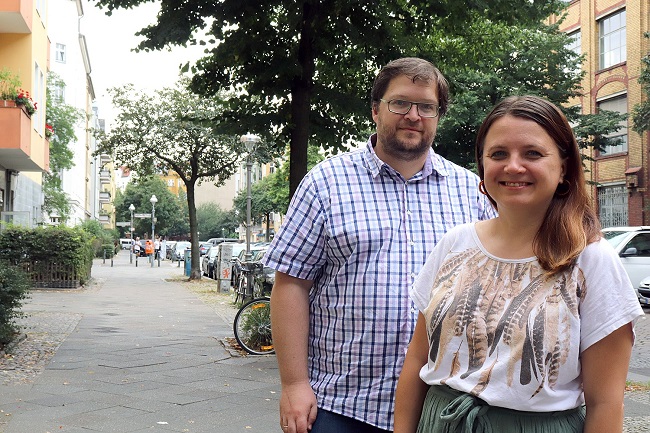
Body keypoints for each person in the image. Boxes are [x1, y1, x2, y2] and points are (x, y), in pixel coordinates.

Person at [263, 57, 496, 433]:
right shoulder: (325, 183)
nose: (413, 116)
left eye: (426, 107)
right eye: (400, 103)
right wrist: (294, 384)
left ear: (438, 115)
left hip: (440, 408)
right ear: (375, 109)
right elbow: (291, 284)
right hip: (341, 405)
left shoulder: (472, 192)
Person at [394, 95, 644, 433]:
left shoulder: (590, 259)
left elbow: (606, 403)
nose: (513, 166)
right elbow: (416, 360)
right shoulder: (455, 243)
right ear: (482, 165)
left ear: (563, 168)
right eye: (498, 154)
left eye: (533, 153)